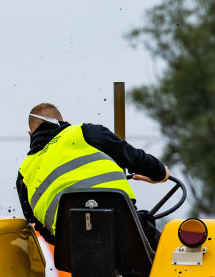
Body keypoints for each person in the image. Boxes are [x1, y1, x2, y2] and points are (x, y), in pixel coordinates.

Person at [16, 103, 170, 247]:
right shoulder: (84, 132)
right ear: (65, 122)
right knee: (168, 254)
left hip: (73, 248)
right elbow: (135, 158)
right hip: (125, 229)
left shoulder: (24, 174)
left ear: (31, 134)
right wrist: (161, 173)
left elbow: (38, 225)